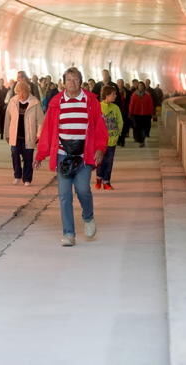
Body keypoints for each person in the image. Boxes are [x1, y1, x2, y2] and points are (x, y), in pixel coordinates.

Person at [35, 67, 107, 247]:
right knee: (64, 195)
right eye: (68, 80)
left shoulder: (90, 101)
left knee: (83, 189)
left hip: (83, 155)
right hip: (62, 155)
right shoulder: (56, 102)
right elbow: (48, 130)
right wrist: (41, 154)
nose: (72, 83)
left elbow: (99, 127)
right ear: (63, 82)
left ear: (80, 82)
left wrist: (100, 148)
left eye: (75, 80)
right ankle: (68, 233)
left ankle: (88, 217)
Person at [5, 80, 44, 186]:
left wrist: (39, 135)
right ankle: (17, 175)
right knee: (15, 155)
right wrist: (7, 134)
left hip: (29, 135)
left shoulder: (35, 102)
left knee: (28, 158)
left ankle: (27, 178)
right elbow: (7, 119)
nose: (21, 95)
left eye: (23, 92)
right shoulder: (13, 101)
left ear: (28, 91)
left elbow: (40, 121)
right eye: (18, 92)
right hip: (15, 135)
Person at [97, 85, 123, 190]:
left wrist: (117, 134)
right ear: (106, 95)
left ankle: (106, 181)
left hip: (112, 140)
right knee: (100, 160)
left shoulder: (115, 108)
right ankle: (99, 178)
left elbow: (120, 122)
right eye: (113, 94)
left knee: (109, 161)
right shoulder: (98, 107)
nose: (115, 96)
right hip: (100, 141)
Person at [129, 81, 154, 147]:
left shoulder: (148, 95)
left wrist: (151, 113)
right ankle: (140, 140)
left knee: (144, 128)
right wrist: (130, 112)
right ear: (138, 87)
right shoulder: (134, 95)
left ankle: (142, 140)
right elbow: (132, 104)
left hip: (146, 114)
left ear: (144, 87)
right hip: (136, 114)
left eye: (142, 86)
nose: (141, 87)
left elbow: (150, 104)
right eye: (140, 86)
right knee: (137, 128)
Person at [115, 78, 130, 147]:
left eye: (121, 83)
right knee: (117, 127)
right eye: (119, 83)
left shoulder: (127, 91)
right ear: (117, 84)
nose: (120, 84)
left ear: (123, 84)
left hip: (125, 112)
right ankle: (118, 140)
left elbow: (130, 102)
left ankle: (122, 141)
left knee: (123, 126)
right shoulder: (114, 92)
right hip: (116, 112)